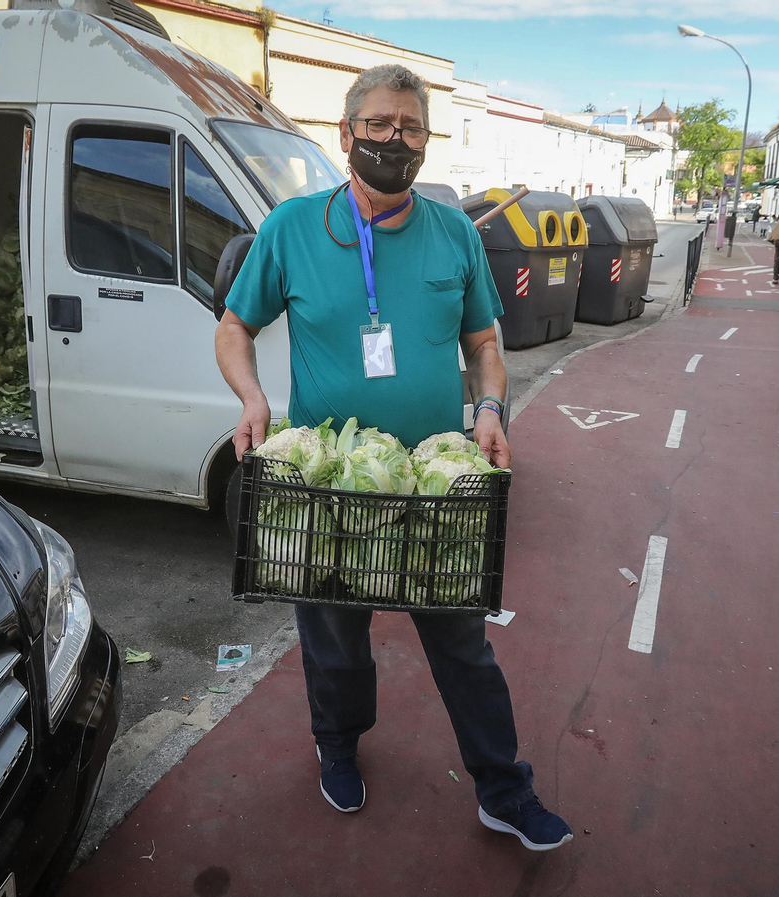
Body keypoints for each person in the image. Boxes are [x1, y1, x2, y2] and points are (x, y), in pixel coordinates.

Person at [213, 64, 573, 852]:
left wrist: (487, 407)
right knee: (335, 638)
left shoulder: (452, 235)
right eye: (378, 125)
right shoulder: (293, 229)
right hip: (336, 487)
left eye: (410, 128)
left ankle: (502, 788)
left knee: (462, 642)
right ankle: (337, 743)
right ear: (345, 135)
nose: (394, 141)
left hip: (432, 487)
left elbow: (484, 342)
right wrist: (251, 399)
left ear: (425, 140)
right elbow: (235, 326)